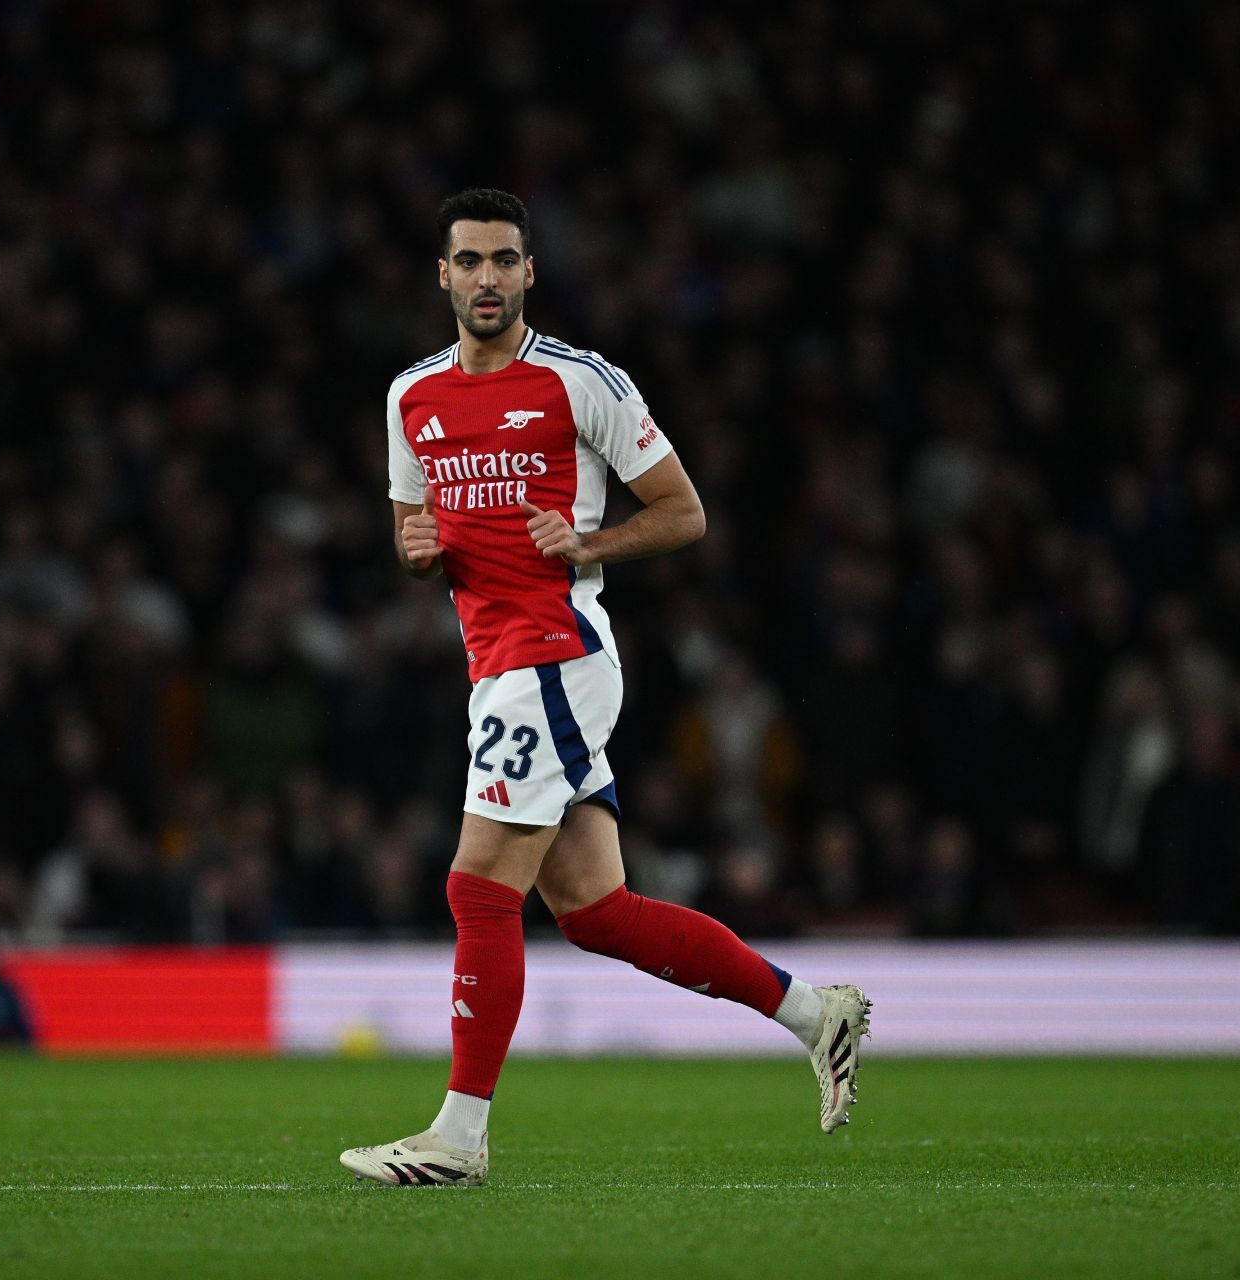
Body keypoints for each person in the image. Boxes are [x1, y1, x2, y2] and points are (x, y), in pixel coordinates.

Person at [341, 189, 869, 1187]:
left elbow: (684, 512)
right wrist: (414, 553)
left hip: (557, 649)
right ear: (442, 275)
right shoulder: (410, 396)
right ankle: (816, 1010)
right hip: (492, 659)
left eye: (505, 260)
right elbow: (418, 537)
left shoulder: (582, 382)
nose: (488, 278)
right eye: (470, 261)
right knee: (594, 908)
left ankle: (458, 1136)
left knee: (476, 884)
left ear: (530, 272)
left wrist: (590, 539)